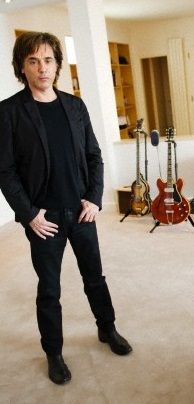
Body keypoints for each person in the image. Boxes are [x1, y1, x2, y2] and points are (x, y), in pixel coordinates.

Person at [0, 32, 132, 385]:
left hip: (81, 210)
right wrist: (29, 214)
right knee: (49, 290)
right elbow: (5, 171)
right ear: (22, 67)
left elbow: (94, 155)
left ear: (57, 64)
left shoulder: (75, 106)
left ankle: (107, 328)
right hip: (44, 219)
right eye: (33, 61)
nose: (42, 68)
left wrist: (95, 197)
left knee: (95, 277)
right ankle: (54, 353)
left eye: (48, 60)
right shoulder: (9, 111)